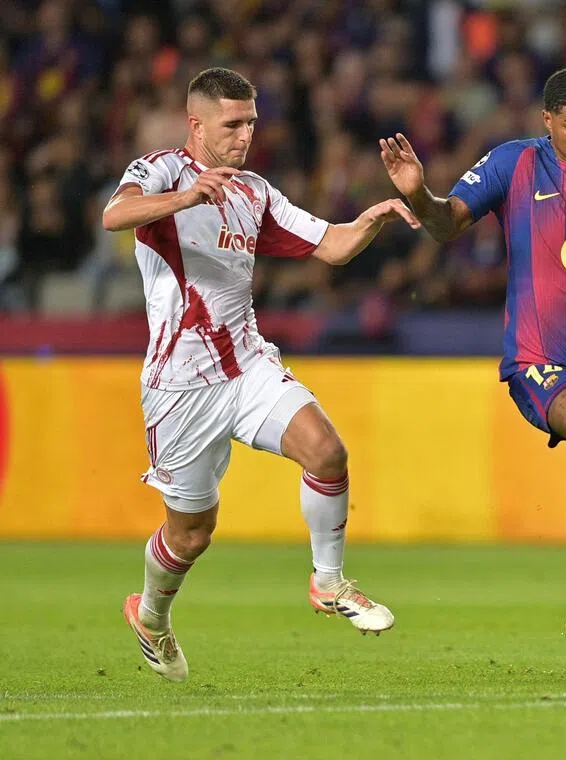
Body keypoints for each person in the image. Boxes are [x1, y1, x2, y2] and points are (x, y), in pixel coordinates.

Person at [105, 67, 420, 682]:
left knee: (327, 452)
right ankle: (152, 615)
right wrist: (187, 197)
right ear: (196, 124)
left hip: (247, 364)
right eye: (232, 124)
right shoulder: (162, 170)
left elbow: (329, 244)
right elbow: (115, 216)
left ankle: (328, 583)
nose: (246, 135)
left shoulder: (253, 192)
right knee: (192, 533)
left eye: (251, 122)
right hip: (179, 385)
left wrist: (374, 218)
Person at [380, 67, 566, 684]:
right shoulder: (513, 165)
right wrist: (418, 194)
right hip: (537, 359)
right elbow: (444, 225)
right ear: (547, 122)